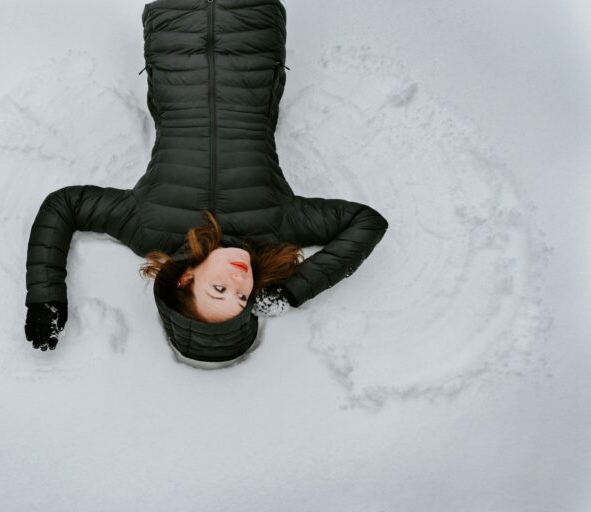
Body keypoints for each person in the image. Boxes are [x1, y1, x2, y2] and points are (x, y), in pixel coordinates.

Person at [24, 0, 389, 369]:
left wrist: (45, 296)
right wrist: (293, 290)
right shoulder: (278, 228)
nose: (239, 283)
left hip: (176, 26)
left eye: (219, 290)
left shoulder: (145, 226)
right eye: (244, 298)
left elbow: (65, 206)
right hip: (251, 24)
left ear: (185, 279)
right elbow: (366, 222)